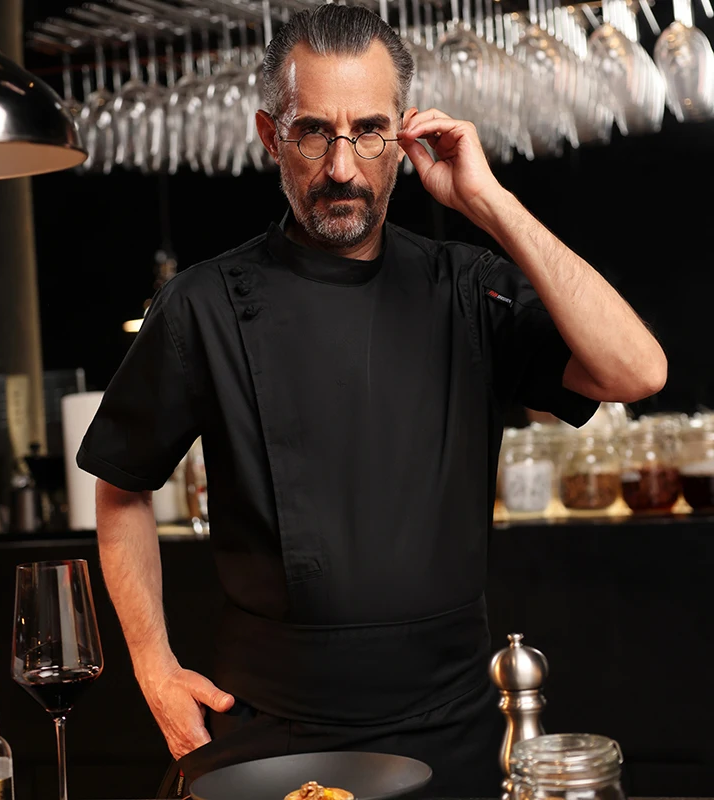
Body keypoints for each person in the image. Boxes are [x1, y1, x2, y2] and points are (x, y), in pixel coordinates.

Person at [77, 4, 667, 797]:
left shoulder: (469, 288)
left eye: (369, 130)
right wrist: (153, 667)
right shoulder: (203, 303)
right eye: (314, 130)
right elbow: (122, 484)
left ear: (405, 136)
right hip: (269, 724)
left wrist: (489, 201)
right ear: (269, 137)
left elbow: (636, 372)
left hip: (455, 723)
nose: (343, 166)